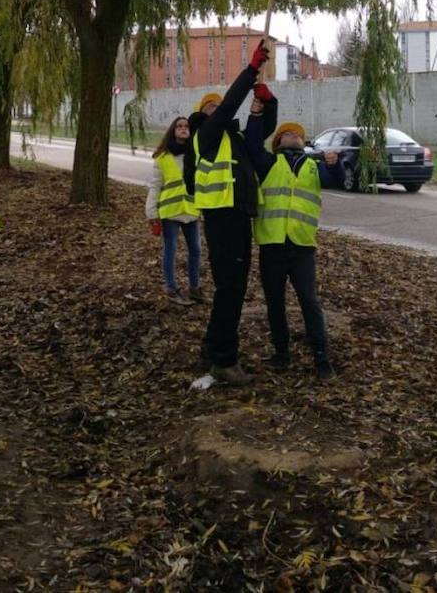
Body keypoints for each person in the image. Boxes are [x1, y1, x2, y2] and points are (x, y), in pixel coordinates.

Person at [243, 86, 345, 379]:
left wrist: (335, 166)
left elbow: (335, 180)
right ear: (277, 142)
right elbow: (251, 144)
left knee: (309, 301)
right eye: (286, 133)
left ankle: (322, 357)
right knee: (275, 302)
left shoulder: (314, 166)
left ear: (303, 142)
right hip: (272, 244)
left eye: (297, 133)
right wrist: (255, 114)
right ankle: (281, 353)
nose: (293, 135)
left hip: (301, 246)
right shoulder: (268, 164)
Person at [189, 37, 271, 385]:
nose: (216, 109)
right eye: (210, 107)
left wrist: (266, 104)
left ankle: (212, 347)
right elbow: (228, 106)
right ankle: (223, 359)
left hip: (236, 215)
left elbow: (260, 135)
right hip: (222, 217)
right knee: (230, 288)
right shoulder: (205, 135)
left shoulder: (231, 140)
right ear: (202, 115)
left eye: (215, 107)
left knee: (230, 287)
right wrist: (250, 70)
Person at [145, 116, 204, 306]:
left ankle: (194, 288)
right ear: (173, 130)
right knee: (170, 249)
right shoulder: (163, 157)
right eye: (179, 126)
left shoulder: (196, 154)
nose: (183, 129)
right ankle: (171, 288)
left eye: (186, 126)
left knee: (195, 249)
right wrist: (151, 212)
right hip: (171, 211)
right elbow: (155, 186)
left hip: (191, 210)